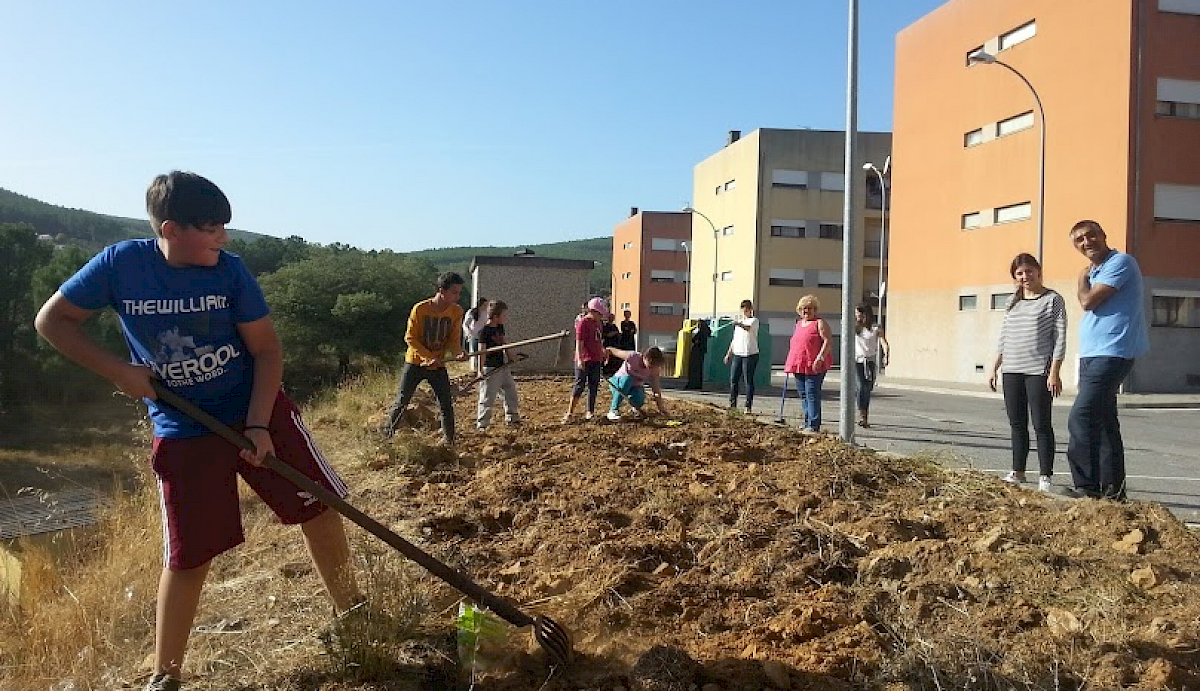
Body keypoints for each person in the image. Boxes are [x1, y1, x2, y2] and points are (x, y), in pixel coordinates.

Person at [32, 171, 363, 691]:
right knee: (190, 551)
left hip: (256, 407)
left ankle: (356, 616)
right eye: (211, 229)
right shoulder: (121, 265)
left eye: (224, 228)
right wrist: (118, 371)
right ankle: (165, 673)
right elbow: (52, 321)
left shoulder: (229, 272)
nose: (223, 239)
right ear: (170, 229)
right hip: (184, 426)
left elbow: (267, 350)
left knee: (318, 504)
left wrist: (258, 423)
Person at [1065, 220, 1149, 501]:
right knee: (1103, 421)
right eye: (1079, 240)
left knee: (1082, 416)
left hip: (1113, 352)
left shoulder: (1120, 261)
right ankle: (1114, 492)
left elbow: (1088, 302)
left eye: (1091, 236)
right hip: (1093, 353)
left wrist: (1080, 282)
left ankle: (1086, 487)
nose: (1086, 242)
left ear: (1103, 235)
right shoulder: (1097, 270)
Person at [986, 254, 1067, 493]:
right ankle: (1018, 471)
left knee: (1042, 424)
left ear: (1038, 271)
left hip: (1038, 371)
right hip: (1012, 369)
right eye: (1019, 273)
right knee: (1017, 423)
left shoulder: (1053, 300)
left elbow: (1060, 337)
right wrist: (994, 367)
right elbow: (1004, 336)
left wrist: (1054, 372)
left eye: (1029, 271)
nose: (1025, 277)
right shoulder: (1013, 302)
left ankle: (1045, 476)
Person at [383, 272, 468, 448]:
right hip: (415, 363)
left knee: (445, 403)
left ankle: (449, 442)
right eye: (454, 292)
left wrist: (459, 352)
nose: (457, 296)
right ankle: (386, 439)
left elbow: (454, 339)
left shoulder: (456, 311)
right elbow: (410, 338)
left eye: (459, 293)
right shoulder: (420, 309)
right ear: (441, 290)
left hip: (438, 365)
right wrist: (428, 357)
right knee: (402, 401)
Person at [783, 295, 833, 432]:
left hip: (815, 364)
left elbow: (828, 341)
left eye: (810, 308)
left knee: (812, 393)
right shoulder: (798, 324)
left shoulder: (820, 323)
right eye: (804, 308)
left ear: (815, 310)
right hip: (799, 363)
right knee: (803, 394)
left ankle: (813, 424)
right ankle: (807, 421)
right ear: (799, 310)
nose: (807, 311)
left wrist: (820, 358)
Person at [475, 300, 520, 430]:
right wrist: (480, 370)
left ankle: (512, 418)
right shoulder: (484, 331)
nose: (506, 318)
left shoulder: (500, 327)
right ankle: (482, 424)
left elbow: (505, 344)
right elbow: (481, 352)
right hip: (490, 368)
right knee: (487, 396)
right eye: (504, 315)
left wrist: (512, 357)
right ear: (495, 317)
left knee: (510, 391)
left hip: (502, 366)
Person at [563, 297, 608, 423]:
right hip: (585, 358)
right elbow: (579, 342)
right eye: (600, 314)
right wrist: (580, 358)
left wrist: (602, 351)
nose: (601, 316)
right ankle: (570, 412)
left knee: (594, 386)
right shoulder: (583, 323)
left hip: (596, 359)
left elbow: (598, 340)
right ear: (593, 311)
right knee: (579, 385)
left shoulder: (598, 324)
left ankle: (590, 411)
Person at [604, 345, 669, 421]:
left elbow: (656, 389)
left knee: (639, 396)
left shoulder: (654, 370)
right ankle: (613, 410)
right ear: (645, 357)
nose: (652, 367)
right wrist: (604, 354)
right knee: (628, 379)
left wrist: (661, 408)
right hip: (618, 383)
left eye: (655, 365)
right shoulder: (633, 357)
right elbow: (613, 351)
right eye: (651, 364)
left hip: (634, 387)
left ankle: (635, 409)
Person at [853, 304, 891, 428]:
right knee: (861, 387)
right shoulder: (854, 327)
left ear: (866, 314)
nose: (857, 316)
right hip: (857, 361)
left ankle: (865, 416)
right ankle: (861, 415)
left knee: (868, 389)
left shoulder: (876, 328)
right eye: (856, 314)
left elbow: (883, 342)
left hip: (870, 362)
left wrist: (886, 355)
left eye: (859, 314)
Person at [724, 300, 760, 412]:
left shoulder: (754, 321)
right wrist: (728, 354)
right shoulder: (739, 322)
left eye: (747, 310)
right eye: (743, 309)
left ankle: (748, 406)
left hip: (750, 354)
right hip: (738, 354)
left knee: (748, 380)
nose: (744, 312)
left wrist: (739, 324)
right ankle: (732, 403)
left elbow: (748, 328)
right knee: (733, 379)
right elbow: (734, 340)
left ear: (750, 310)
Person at [462, 296, 489, 375]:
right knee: (477, 353)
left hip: (483, 336)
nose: (485, 307)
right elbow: (465, 324)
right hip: (475, 336)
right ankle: (478, 370)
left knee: (484, 353)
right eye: (484, 305)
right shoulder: (472, 312)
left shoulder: (486, 313)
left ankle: (484, 370)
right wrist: (469, 333)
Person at [683, 319, 711, 390]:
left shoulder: (700, 332)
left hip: (696, 351)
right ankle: (698, 384)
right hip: (702, 352)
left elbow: (693, 339)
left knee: (693, 368)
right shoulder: (706, 332)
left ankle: (692, 384)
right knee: (699, 369)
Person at [601, 312, 622, 377]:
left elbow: (618, 334)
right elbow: (605, 335)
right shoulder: (605, 326)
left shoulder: (614, 326)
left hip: (615, 345)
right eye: (611, 318)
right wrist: (613, 333)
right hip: (607, 345)